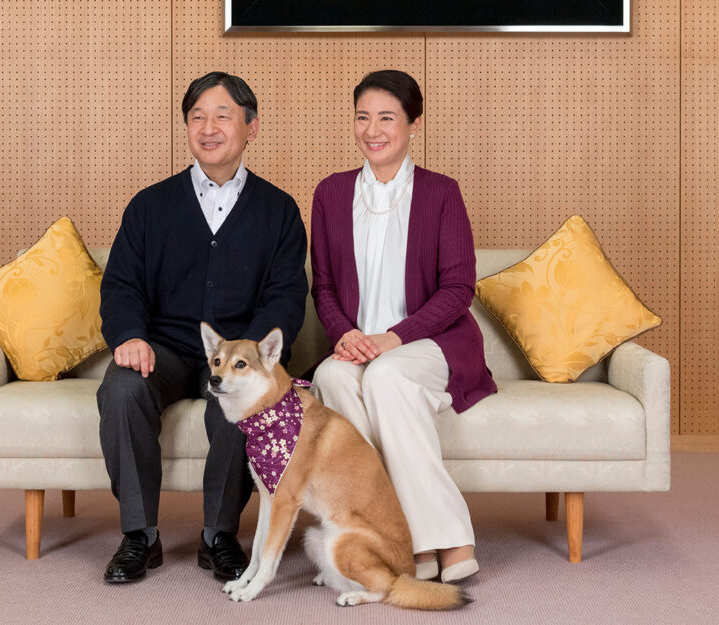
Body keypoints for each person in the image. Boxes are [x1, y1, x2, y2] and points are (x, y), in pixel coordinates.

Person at [97, 72, 308, 584]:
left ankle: (220, 537)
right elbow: (121, 285)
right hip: (165, 348)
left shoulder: (279, 210)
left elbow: (285, 295)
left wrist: (249, 357)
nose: (208, 128)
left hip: (239, 352)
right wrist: (130, 337)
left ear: (251, 127)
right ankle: (138, 536)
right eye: (197, 117)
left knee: (248, 397)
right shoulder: (149, 206)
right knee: (122, 389)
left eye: (222, 116)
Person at [309, 70, 497, 584]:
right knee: (331, 378)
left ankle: (442, 538)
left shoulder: (441, 193)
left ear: (414, 124)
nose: (373, 129)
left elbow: (458, 289)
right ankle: (386, 537)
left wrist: (393, 338)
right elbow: (322, 286)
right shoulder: (330, 193)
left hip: (430, 344)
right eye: (362, 117)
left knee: (388, 377)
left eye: (387, 118)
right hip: (357, 346)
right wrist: (344, 332)